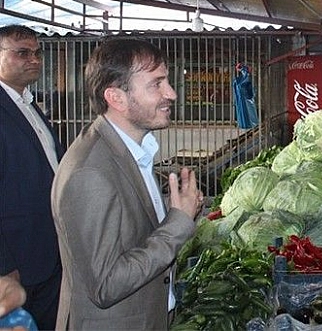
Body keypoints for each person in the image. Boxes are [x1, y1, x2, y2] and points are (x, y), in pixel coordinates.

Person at [51, 38, 204, 330]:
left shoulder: (133, 151)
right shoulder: (90, 173)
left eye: (167, 82)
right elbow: (106, 285)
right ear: (117, 97)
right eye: (156, 84)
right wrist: (179, 224)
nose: (170, 93)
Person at [0, 25, 64, 330]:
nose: (34, 59)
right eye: (22, 53)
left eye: (37, 53)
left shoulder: (27, 102)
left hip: (48, 250)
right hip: (18, 262)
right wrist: (3, 266)